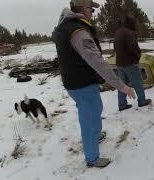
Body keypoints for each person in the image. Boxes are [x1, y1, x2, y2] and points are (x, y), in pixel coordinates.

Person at [52, 0, 135, 168]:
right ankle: (92, 158)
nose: (93, 13)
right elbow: (98, 62)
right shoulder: (78, 32)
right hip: (81, 84)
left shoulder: (66, 26)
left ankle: (95, 136)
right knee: (89, 119)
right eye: (91, 9)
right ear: (83, 8)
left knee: (95, 109)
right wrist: (122, 86)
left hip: (75, 81)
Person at [114, 15, 151, 111]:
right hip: (130, 63)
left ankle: (122, 105)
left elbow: (115, 48)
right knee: (138, 83)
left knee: (122, 85)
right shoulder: (130, 33)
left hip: (119, 63)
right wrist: (138, 55)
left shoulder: (118, 32)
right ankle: (142, 101)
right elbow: (133, 48)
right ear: (131, 23)